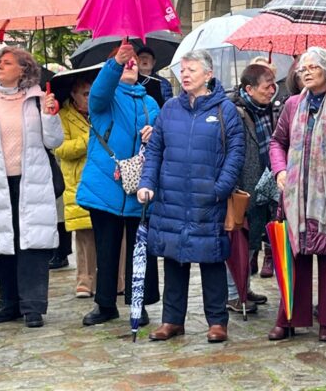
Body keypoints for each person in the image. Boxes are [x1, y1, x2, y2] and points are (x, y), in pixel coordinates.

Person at [138, 50, 244, 343]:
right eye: (182, 70)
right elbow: (155, 150)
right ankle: (172, 320)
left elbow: (236, 153)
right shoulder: (170, 108)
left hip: (207, 200)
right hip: (171, 198)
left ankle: (217, 322)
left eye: (192, 70)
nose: (184, 75)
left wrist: (220, 189)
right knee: (174, 259)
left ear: (208, 75)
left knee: (211, 259)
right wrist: (147, 183)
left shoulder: (225, 110)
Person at [268, 47, 326, 342]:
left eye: (313, 67)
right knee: (293, 255)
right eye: (302, 68)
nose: (305, 72)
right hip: (294, 194)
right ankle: (289, 317)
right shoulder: (291, 104)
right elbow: (277, 142)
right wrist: (280, 171)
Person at [76, 43, 160, 327]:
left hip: (139, 185)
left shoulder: (150, 103)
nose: (131, 63)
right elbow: (98, 92)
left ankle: (139, 304)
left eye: (134, 60)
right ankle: (105, 304)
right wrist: (114, 63)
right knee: (107, 247)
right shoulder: (106, 97)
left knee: (139, 249)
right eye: (125, 59)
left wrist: (154, 134)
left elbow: (162, 142)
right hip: (106, 185)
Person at [0, 47, 64, 328]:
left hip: (32, 181)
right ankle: (8, 304)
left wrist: (51, 115)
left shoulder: (39, 99)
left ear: (23, 69)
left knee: (32, 243)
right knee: (2, 243)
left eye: (7, 63)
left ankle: (33, 306)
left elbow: (54, 142)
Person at [229, 63, 277, 313]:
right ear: (249, 88)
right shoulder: (234, 111)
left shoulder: (270, 109)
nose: (272, 90)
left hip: (265, 184)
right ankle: (232, 293)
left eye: (273, 85)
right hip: (242, 186)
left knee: (252, 242)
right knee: (237, 241)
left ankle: (244, 289)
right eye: (267, 86)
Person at [55, 78, 97, 298]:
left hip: (104, 178)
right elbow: (61, 149)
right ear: (74, 95)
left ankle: (118, 281)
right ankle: (84, 280)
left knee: (112, 234)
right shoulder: (63, 116)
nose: (89, 98)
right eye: (85, 93)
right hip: (77, 181)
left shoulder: (102, 111)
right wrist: (89, 139)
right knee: (84, 234)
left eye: (92, 92)